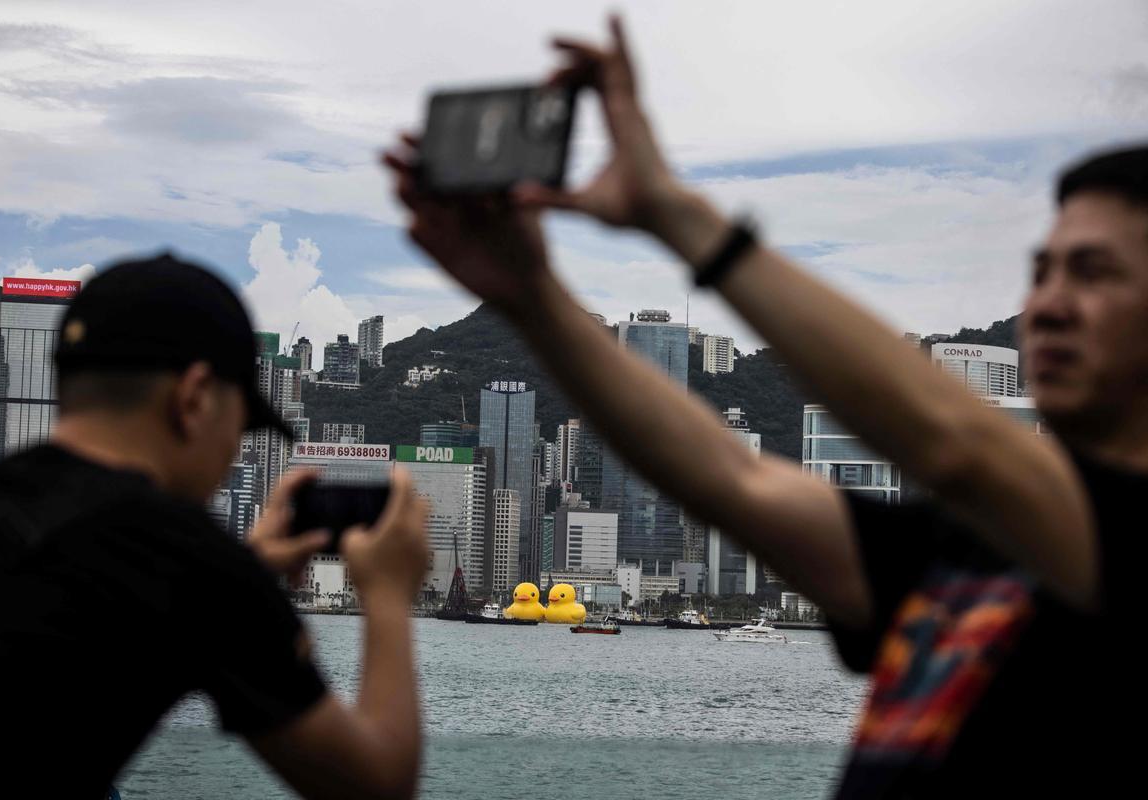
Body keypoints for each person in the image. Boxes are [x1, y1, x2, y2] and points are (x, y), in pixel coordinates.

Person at [384, 16, 1143, 797]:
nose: (1047, 304)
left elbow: (956, 445)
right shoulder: (965, 558)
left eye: (1092, 273)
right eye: (1043, 271)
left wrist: (676, 212)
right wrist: (530, 296)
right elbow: (727, 479)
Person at [0, 255, 430, 800]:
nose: (234, 451)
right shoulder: (191, 562)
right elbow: (376, 786)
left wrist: (243, 567)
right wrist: (389, 593)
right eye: (242, 425)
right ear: (194, 398)